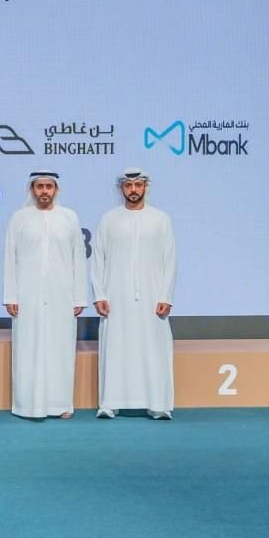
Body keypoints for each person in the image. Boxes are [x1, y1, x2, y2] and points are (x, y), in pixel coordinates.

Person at [92, 167, 177, 420]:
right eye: (128, 186)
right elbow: (98, 259)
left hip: (153, 297)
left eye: (138, 185)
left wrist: (166, 296)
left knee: (154, 348)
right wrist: (99, 294)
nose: (133, 190)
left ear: (145, 187)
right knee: (115, 347)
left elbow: (170, 260)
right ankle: (110, 403)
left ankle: (158, 404)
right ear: (121, 188)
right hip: (115, 297)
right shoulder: (108, 219)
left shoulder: (161, 219)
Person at [3, 171, 87, 419]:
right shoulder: (19, 218)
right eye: (39, 186)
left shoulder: (69, 217)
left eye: (49, 186)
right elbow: (10, 257)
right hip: (26, 295)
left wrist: (79, 297)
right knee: (28, 348)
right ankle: (27, 405)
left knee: (60, 348)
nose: (44, 191)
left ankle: (60, 404)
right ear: (32, 189)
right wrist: (10, 296)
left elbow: (78, 258)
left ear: (56, 190)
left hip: (62, 294)